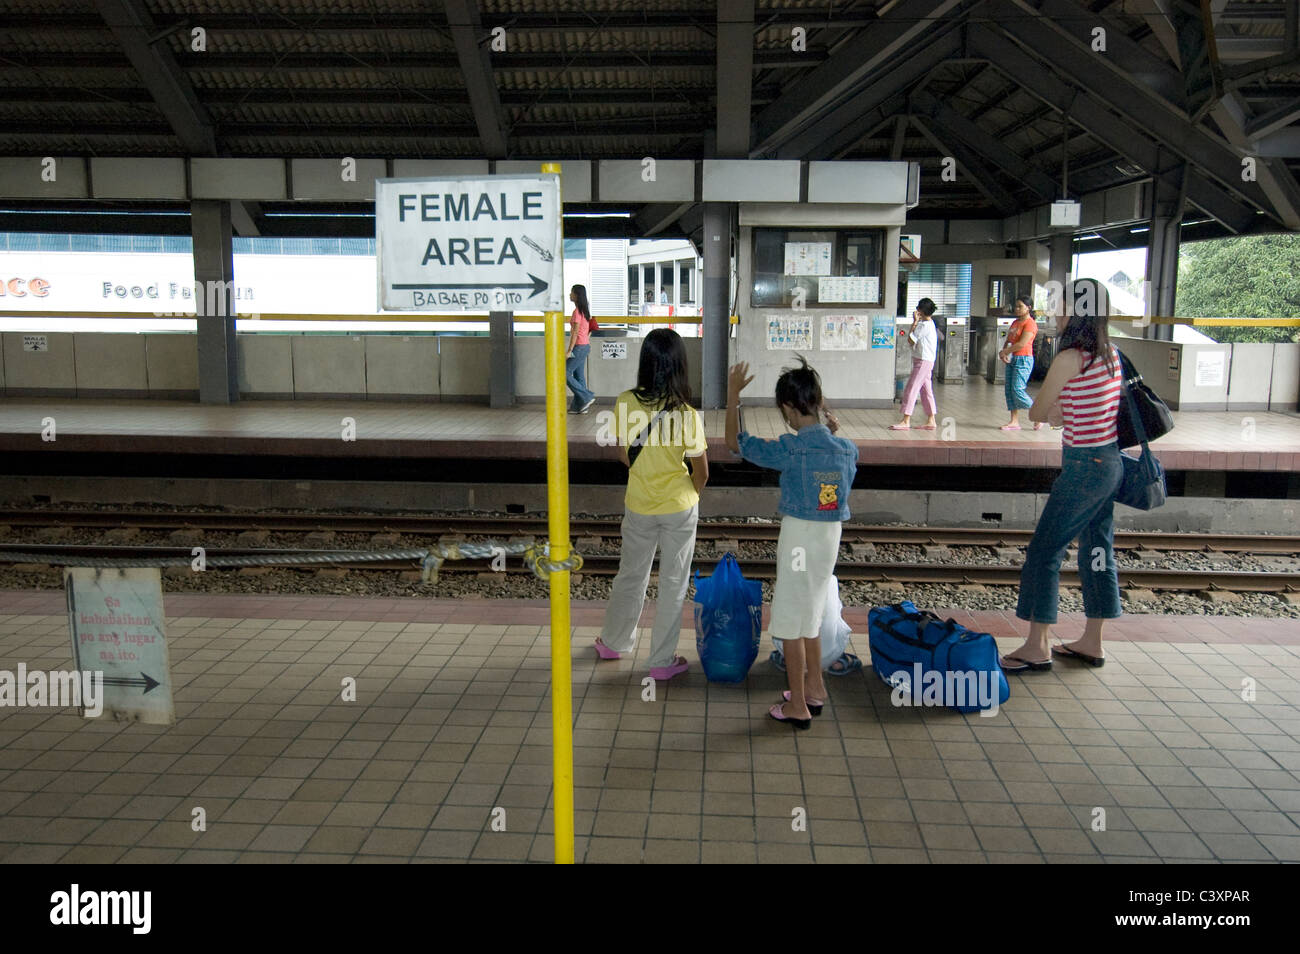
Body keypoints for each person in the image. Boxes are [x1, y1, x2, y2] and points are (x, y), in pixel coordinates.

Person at [726, 356, 859, 729]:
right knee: (811, 614)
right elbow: (833, 466)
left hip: (800, 537)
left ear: (787, 407)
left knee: (791, 620)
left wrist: (733, 395)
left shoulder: (791, 448)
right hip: (829, 537)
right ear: (818, 403)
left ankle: (798, 706)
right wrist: (831, 429)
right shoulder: (847, 449)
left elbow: (735, 444)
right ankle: (815, 689)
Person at [1001, 279, 1123, 673]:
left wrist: (1054, 414)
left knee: (1043, 552)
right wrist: (1061, 413)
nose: (1056, 312)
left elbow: (1038, 412)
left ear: (1079, 311)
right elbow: (1088, 409)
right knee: (1097, 549)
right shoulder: (1112, 355)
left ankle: (1038, 645)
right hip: (1109, 463)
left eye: (1061, 305)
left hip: (1083, 467)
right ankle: (1093, 640)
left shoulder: (1070, 358)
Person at [594, 329, 709, 680]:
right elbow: (701, 471)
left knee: (631, 574)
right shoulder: (687, 413)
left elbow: (621, 453)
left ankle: (614, 642)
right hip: (678, 506)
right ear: (679, 366)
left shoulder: (625, 401)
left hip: (639, 504)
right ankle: (660, 662)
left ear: (645, 363)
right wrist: (687, 493)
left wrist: (647, 474)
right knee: (673, 582)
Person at [890, 298, 938, 431]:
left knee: (911, 388)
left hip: (922, 361)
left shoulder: (924, 325)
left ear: (921, 311)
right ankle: (931, 419)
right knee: (926, 390)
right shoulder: (930, 323)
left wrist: (914, 322)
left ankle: (906, 420)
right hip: (927, 360)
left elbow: (911, 340)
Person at [999, 295, 1044, 431]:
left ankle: (1038, 414)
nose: (1017, 309)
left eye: (1020, 306)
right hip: (1013, 357)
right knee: (1009, 391)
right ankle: (1014, 421)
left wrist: (1005, 351)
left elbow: (1022, 344)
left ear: (1028, 308)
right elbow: (1009, 339)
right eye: (1016, 306)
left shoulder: (1030, 324)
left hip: (1023, 359)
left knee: (1017, 389)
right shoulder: (1015, 322)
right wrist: (1004, 350)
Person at [565, 284, 596, 414]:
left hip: (578, 347)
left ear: (576, 295)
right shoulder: (584, 311)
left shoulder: (577, 312)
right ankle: (580, 406)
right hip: (585, 346)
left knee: (564, 373)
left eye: (571, 292)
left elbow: (575, 333)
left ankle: (586, 396)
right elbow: (588, 330)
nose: (569, 295)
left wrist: (569, 350)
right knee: (579, 376)